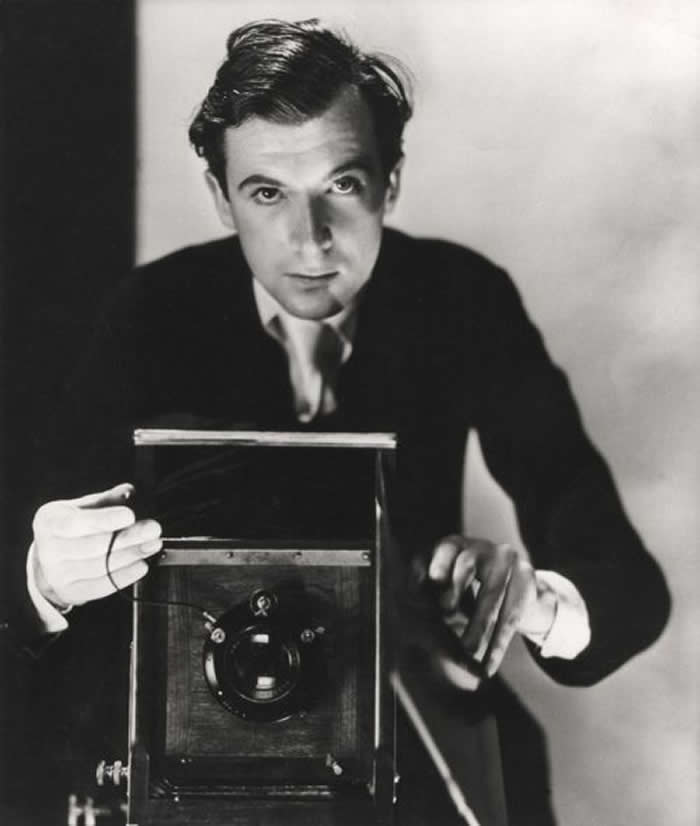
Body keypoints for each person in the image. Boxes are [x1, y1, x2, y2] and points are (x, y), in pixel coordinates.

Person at [11, 18, 669, 825]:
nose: (310, 239)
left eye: (343, 185)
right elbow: (27, 572)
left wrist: (533, 600)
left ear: (391, 182)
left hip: (409, 739)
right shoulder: (150, 311)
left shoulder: (464, 298)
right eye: (267, 193)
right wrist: (46, 578)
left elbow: (627, 585)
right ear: (220, 197)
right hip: (204, 753)